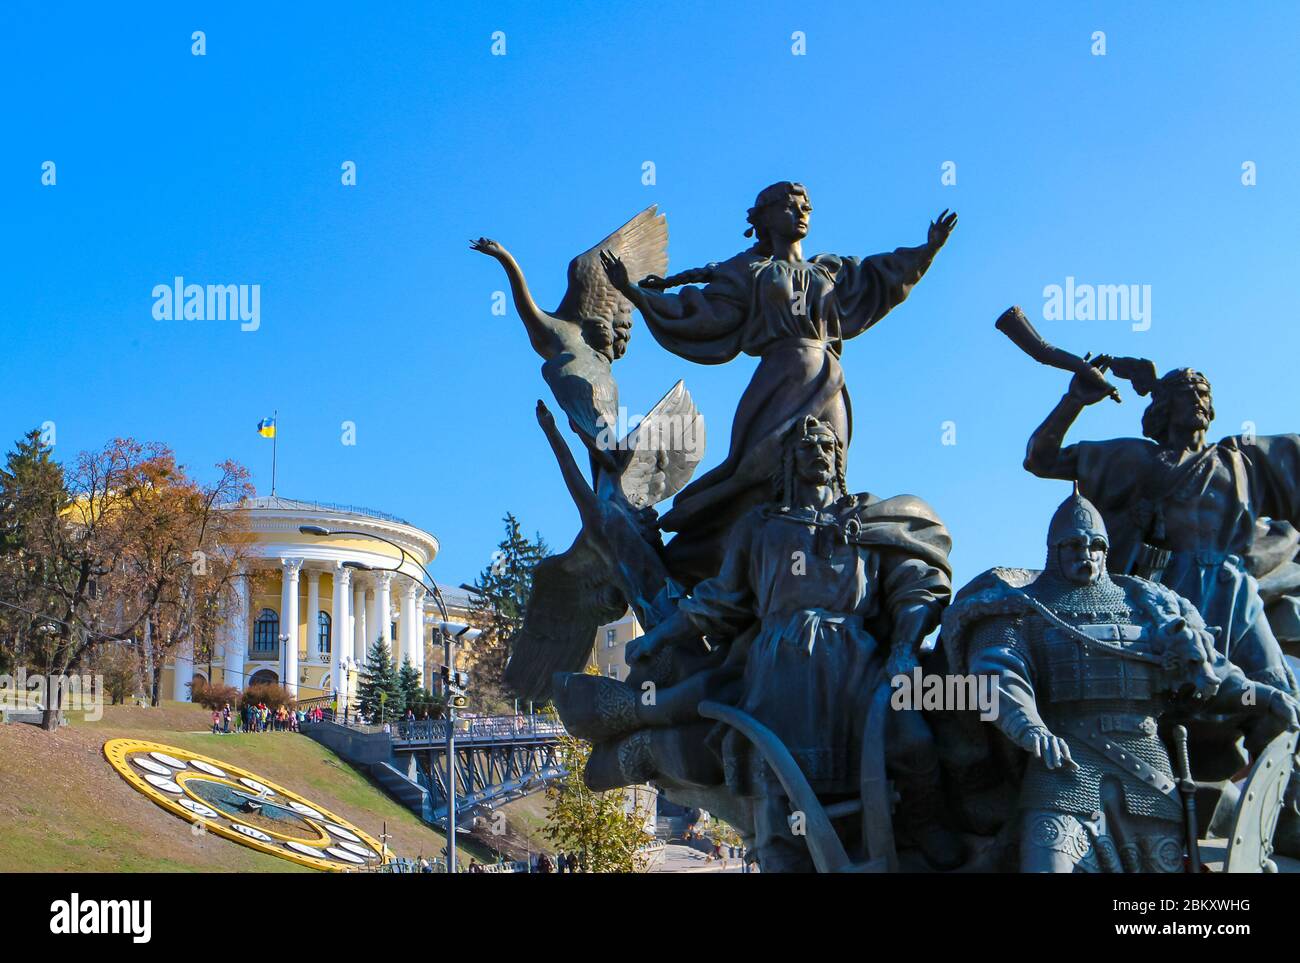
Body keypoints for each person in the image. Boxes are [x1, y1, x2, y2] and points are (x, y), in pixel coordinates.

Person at [618, 416, 962, 871]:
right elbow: (718, 601)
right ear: (788, 461)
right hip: (783, 666)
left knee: (911, 741)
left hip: (856, 661)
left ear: (839, 458)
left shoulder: (871, 520)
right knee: (779, 778)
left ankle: (926, 823)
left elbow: (916, 587)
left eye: (826, 446)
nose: (817, 453)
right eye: (806, 447)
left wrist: (903, 647)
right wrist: (658, 638)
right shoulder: (760, 528)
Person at [602, 182, 957, 584]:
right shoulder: (748, 272)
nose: (801, 211)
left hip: (829, 378)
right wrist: (634, 293)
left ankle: (823, 576)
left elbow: (880, 277)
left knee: (828, 479)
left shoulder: (829, 270)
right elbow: (700, 312)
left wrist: (927, 250)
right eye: (789, 206)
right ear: (764, 219)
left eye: (805, 205)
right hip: (781, 376)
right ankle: (711, 565)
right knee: (757, 476)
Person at [943, 488, 1300, 871]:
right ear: (1054, 549)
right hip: (1063, 773)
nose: (1086, 554)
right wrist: (1029, 727)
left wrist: (1261, 697)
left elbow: (1208, 672)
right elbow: (998, 671)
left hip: (1148, 779)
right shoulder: (1020, 606)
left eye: (1095, 545)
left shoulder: (1152, 606)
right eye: (1074, 545)